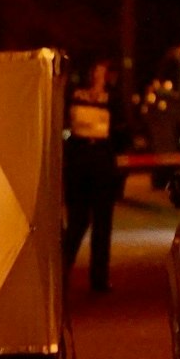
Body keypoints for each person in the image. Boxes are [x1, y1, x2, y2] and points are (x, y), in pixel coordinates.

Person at [61, 59, 121, 293]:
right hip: (81, 163)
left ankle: (99, 279)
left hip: (102, 164)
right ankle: (62, 270)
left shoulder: (112, 98)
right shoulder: (75, 95)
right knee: (78, 220)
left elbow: (120, 126)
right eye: (96, 70)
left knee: (102, 223)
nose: (99, 76)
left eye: (103, 71)